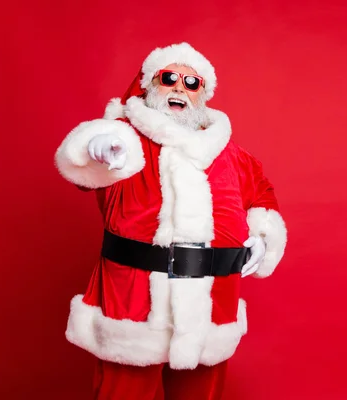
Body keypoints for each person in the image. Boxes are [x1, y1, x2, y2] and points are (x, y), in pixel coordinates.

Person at [54, 42, 288, 399]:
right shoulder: (126, 136)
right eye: (169, 78)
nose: (180, 87)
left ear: (203, 95)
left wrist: (262, 236)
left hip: (211, 304)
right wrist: (94, 147)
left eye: (191, 83)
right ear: (149, 86)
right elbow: (91, 161)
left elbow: (262, 195)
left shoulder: (232, 153)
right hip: (134, 304)